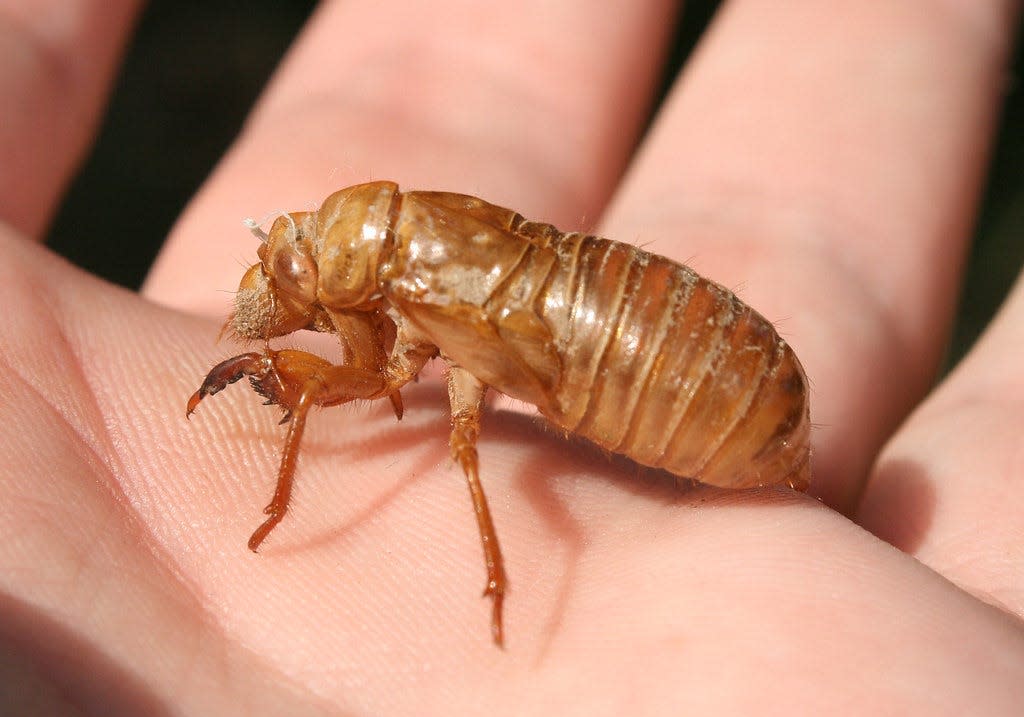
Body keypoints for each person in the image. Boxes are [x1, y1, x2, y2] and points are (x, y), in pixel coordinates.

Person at [2, 2, 1021, 714]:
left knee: (461, 451)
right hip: (645, 325)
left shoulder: (406, 303)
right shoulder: (410, 275)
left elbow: (380, 392)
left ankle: (496, 583)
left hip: (698, 390)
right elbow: (382, 365)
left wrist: (286, 472)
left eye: (302, 268)